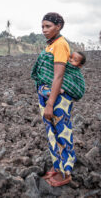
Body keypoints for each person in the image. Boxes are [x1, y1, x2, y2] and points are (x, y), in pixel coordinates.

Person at [31, 12, 79, 187]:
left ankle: (66, 172)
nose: (44, 30)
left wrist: (50, 103)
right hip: (48, 96)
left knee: (62, 132)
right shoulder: (51, 45)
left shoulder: (60, 45)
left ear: (58, 27)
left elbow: (58, 77)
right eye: (42, 26)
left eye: (48, 26)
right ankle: (57, 166)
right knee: (52, 132)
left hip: (57, 98)